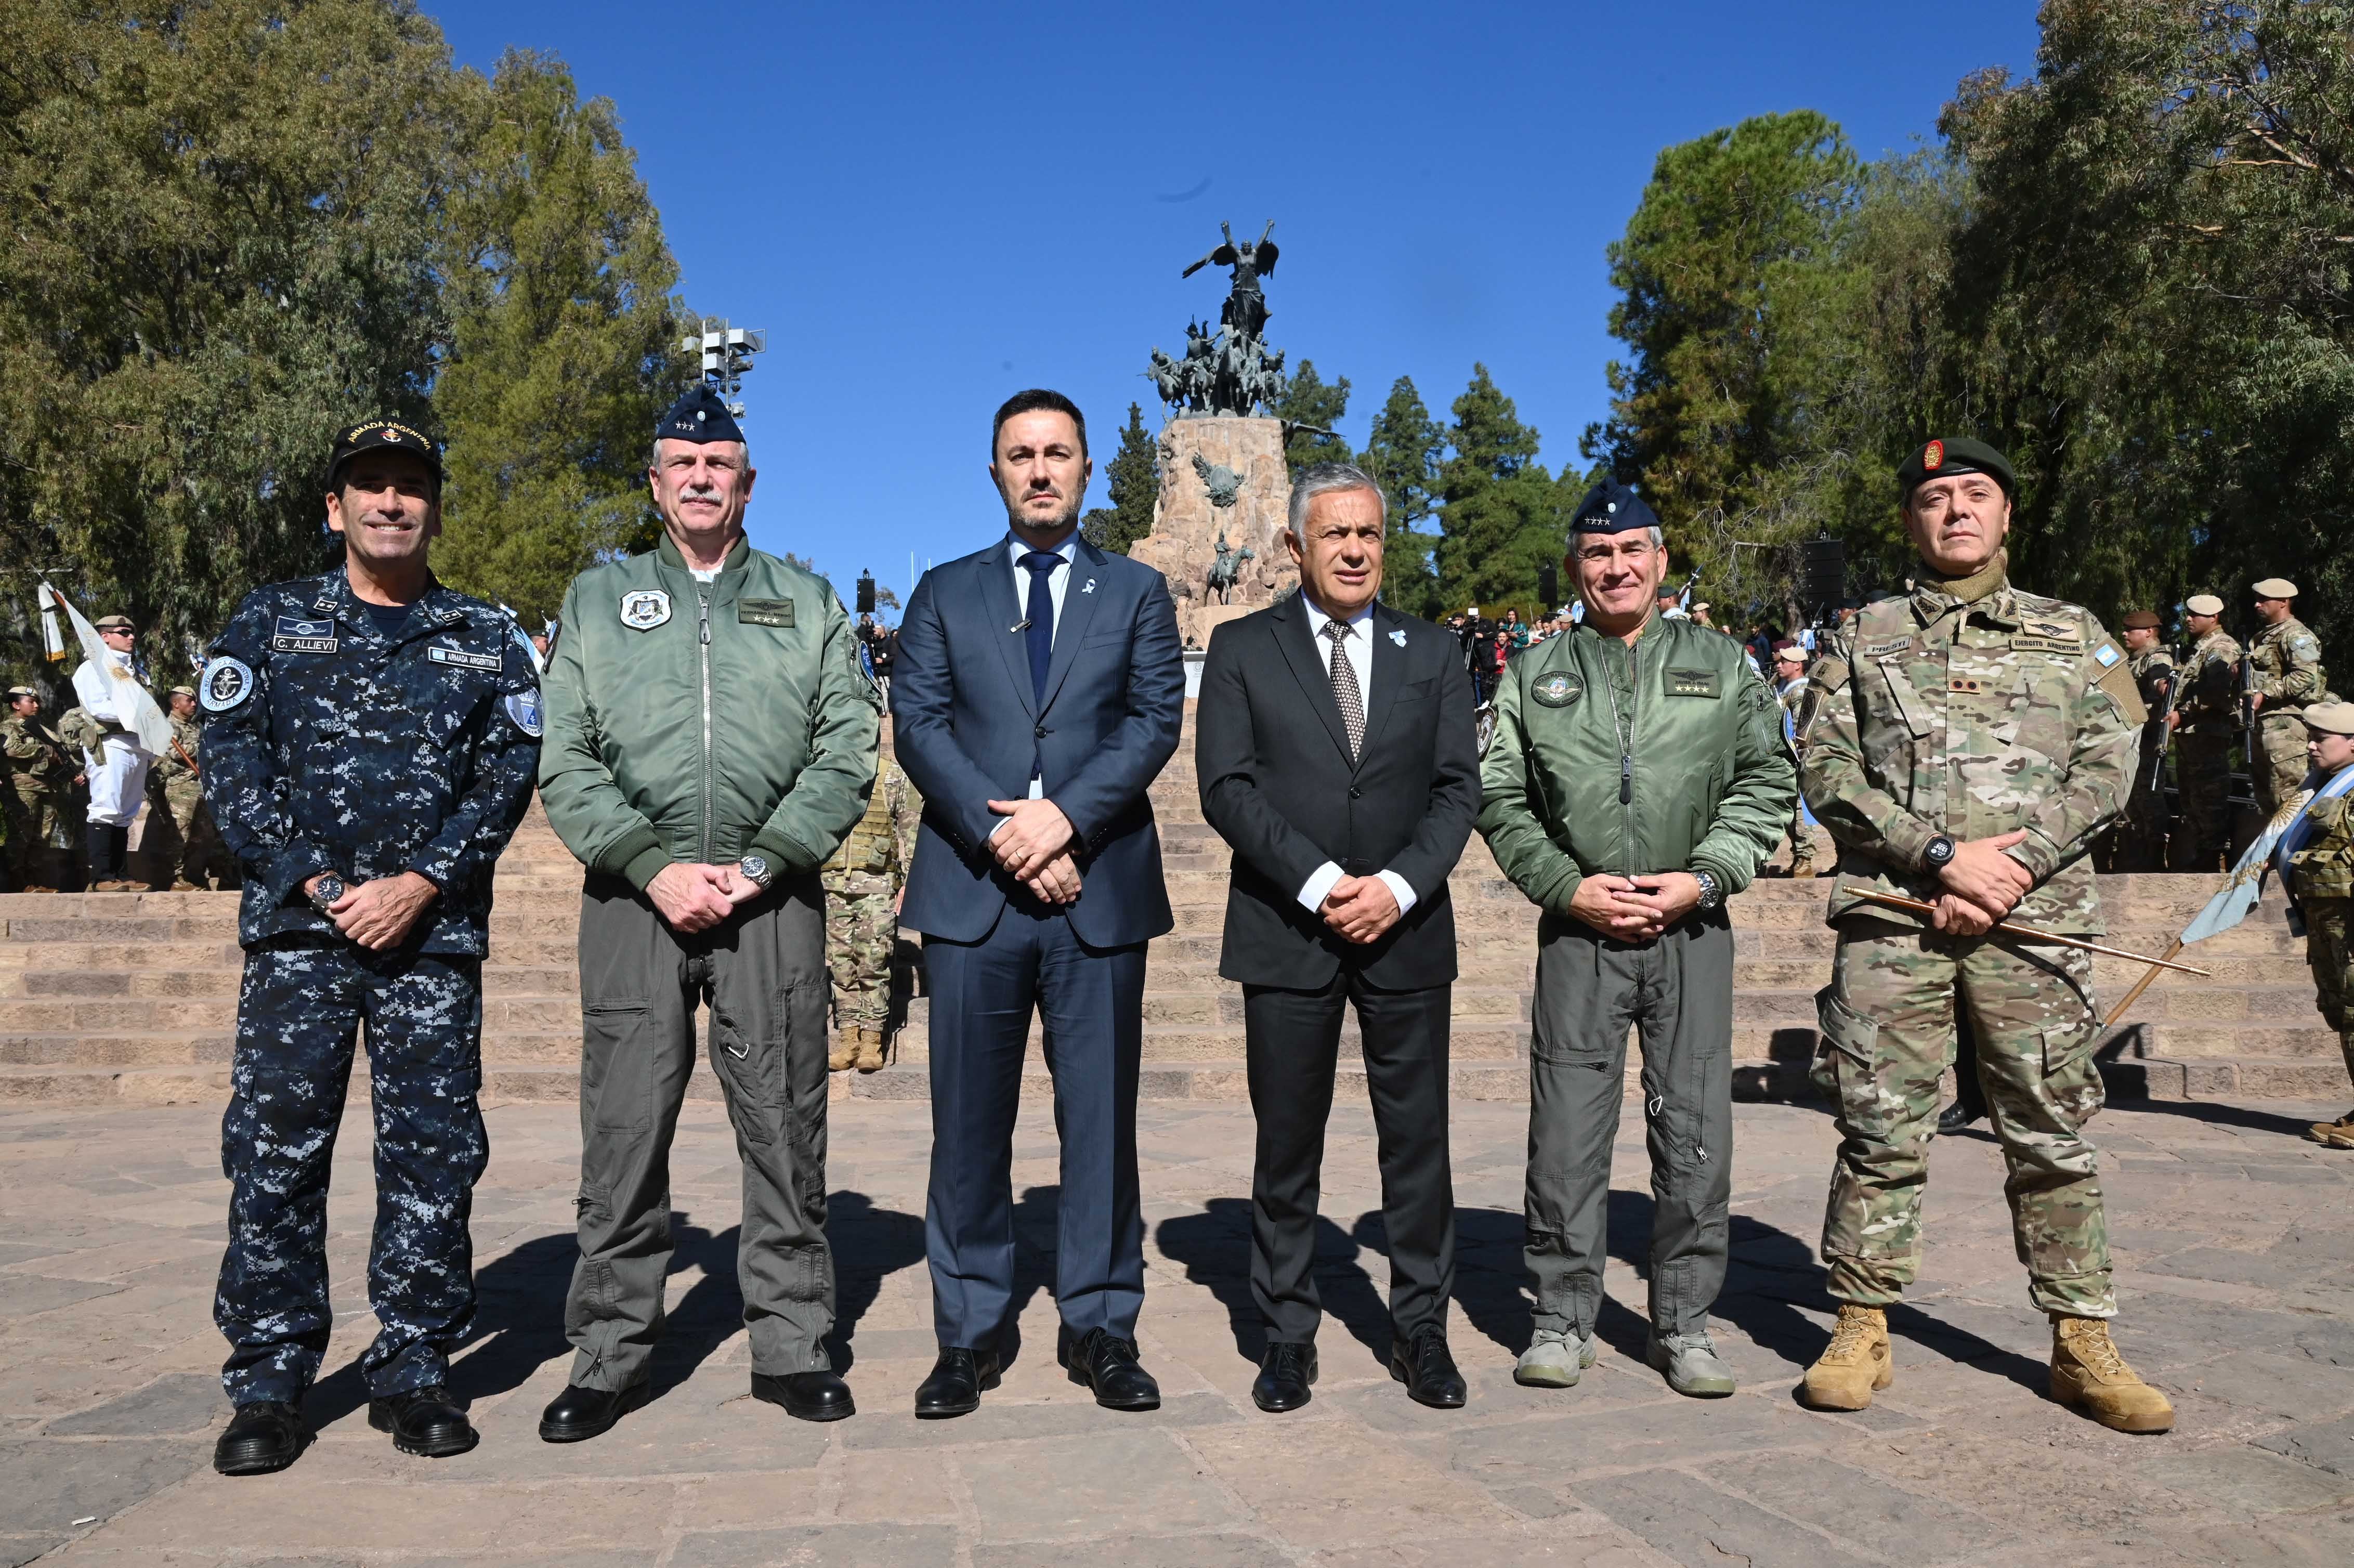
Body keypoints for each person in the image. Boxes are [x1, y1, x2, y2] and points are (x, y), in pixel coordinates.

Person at [1793, 436, 2172, 1433]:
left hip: (2032, 926)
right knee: (1878, 1129)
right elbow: (1827, 770)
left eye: (1975, 494)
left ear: (2007, 514)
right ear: (1910, 520)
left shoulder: (2075, 635)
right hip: (1896, 918)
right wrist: (1937, 857)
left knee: (2049, 1134)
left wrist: (2011, 867)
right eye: (1933, 497)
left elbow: (2111, 762)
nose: (1955, 510)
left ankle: (2081, 1336)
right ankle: (1859, 1322)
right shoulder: (1858, 636)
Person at [536, 384, 880, 1439]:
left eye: (717, 463)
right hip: (633, 899)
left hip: (768, 901)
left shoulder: (807, 601)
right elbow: (567, 754)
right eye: (680, 463)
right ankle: (608, 1353)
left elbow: (846, 744)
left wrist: (765, 858)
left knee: (783, 1125)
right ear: (653, 482)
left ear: (746, 483)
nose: (698, 477)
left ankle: (791, 1343)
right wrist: (652, 863)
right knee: (624, 1131)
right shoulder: (598, 602)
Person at [202, 416, 542, 1475]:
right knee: (275, 1157)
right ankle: (269, 1375)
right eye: (369, 486)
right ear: (333, 507)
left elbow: (506, 771)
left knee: (433, 1155)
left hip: (429, 941)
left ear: (433, 506)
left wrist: (424, 881)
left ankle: (414, 1362)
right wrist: (327, 881)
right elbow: (232, 763)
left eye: (409, 486)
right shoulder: (268, 621)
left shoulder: (485, 634)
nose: (390, 502)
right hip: (303, 938)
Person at [892, 389, 1184, 1418]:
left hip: (1096, 889)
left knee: (1098, 1122)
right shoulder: (941, 592)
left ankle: (1099, 1324)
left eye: (1058, 452)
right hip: (972, 894)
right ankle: (964, 1334)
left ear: (1088, 467)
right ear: (994, 471)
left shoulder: (1137, 591)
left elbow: (1152, 722)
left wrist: (1062, 821)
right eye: (1021, 454)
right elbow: (919, 725)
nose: (1040, 469)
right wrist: (1005, 831)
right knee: (964, 1123)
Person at [1479, 479, 1794, 1398]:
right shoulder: (1534, 675)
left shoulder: (1723, 664)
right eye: (1594, 554)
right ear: (1574, 568)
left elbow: (1766, 781)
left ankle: (1684, 1322)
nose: (1614, 568)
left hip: (1690, 924)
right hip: (1579, 932)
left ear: (1659, 561)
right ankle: (1560, 1316)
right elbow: (1499, 798)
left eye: (1631, 552)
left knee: (1693, 1128)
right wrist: (1564, 886)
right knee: (1564, 1136)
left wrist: (1704, 874)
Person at [1196, 463, 1480, 1414]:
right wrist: (1323, 886)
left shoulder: (1434, 652)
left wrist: (1396, 886)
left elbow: (1456, 790)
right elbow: (1226, 788)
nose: (1354, 550)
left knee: (1417, 1144)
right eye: (1334, 535)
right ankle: (1285, 1336)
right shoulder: (1241, 648)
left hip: (1405, 930)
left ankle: (1420, 1331)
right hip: (1288, 929)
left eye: (1368, 534)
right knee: (1286, 1145)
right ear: (1294, 547)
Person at [825, 734, 921, 1073]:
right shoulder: (828, 776)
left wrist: (910, 883)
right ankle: (848, 1038)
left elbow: (909, 831)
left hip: (878, 886)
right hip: (833, 885)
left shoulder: (894, 776)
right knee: (840, 965)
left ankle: (872, 1041)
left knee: (874, 962)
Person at [2282, 702, 2354, 1150]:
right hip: (2328, 923)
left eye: (2320, 738)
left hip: (2349, 928)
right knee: (2342, 1011)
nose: (2310, 744)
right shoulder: (2324, 787)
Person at [74, 613, 155, 891]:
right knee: (106, 807)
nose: (131, 637)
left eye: (132, 632)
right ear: (105, 637)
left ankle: (122, 875)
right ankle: (101, 877)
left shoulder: (138, 672)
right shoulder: (92, 669)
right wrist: (138, 714)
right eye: (124, 632)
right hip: (110, 743)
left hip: (137, 745)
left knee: (126, 812)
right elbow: (99, 708)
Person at [2095, 611, 2176, 872]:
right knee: (2132, 801)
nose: (2125, 634)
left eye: (2132, 630)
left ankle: (2153, 857)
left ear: (2150, 632)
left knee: (2148, 799)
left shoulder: (2158, 657)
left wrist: (2162, 684)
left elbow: (2160, 676)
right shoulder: (2131, 661)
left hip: (2147, 742)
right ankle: (2135, 852)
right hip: (2129, 739)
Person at [2247, 578, 2327, 821]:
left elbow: (2306, 676)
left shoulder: (2295, 633)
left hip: (2286, 725)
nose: (2257, 605)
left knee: (2289, 797)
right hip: (2263, 723)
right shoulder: (2265, 636)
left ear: (2283, 602)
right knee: (2266, 799)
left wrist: (2266, 693)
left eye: (2263, 600)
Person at [2172, 594, 2241, 871]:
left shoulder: (2221, 647)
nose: (2188, 619)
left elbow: (2217, 691)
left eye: (2196, 615)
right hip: (2193, 735)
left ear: (2213, 618)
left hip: (2207, 734)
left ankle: (2211, 857)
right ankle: (2203, 853)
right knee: (2191, 798)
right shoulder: (2200, 648)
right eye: (2188, 614)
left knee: (2209, 798)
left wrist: (2184, 712)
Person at [149, 684, 231, 890]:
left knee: (204, 836)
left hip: (200, 786)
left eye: (195, 700)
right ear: (176, 704)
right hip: (180, 787)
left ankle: (194, 875)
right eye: (189, 701)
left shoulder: (194, 727)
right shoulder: (167, 726)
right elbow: (176, 752)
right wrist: (205, 745)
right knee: (180, 834)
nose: (194, 704)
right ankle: (175, 879)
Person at [1, 685, 79, 891]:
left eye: (37, 702)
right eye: (30, 702)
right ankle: (19, 881)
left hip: (46, 787)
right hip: (22, 787)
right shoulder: (10, 727)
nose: (36, 705)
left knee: (42, 837)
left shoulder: (41, 729)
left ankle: (34, 880)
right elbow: (11, 749)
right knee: (21, 835)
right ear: (16, 705)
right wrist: (45, 751)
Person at [1772, 641, 1817, 878]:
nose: (1779, 665)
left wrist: (1797, 760)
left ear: (1798, 665)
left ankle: (1804, 859)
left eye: (1785, 662)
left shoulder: (1800, 691)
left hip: (1799, 758)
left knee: (1799, 810)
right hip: (1792, 757)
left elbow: (1801, 731)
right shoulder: (1788, 689)